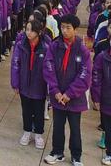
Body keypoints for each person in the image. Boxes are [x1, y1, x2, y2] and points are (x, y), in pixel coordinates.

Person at [43, 14, 91, 166]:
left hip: (74, 98)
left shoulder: (82, 50)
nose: (64, 31)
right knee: (57, 126)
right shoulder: (54, 46)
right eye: (62, 27)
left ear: (75, 30)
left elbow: (85, 75)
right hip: (58, 96)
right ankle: (57, 152)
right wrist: (56, 90)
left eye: (68, 28)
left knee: (75, 128)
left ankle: (76, 156)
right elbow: (48, 67)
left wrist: (69, 93)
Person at [11, 19, 49, 149]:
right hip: (24, 84)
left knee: (39, 111)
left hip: (39, 85)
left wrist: (50, 88)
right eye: (27, 29)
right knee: (26, 110)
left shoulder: (46, 47)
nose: (28, 32)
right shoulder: (21, 45)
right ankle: (27, 131)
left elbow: (50, 69)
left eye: (32, 30)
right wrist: (15, 83)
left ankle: (38, 134)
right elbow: (15, 64)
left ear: (39, 32)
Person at [91, 37, 111, 165]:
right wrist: (96, 98)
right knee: (108, 128)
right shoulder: (102, 57)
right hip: (107, 100)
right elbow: (96, 79)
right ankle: (109, 153)